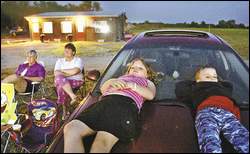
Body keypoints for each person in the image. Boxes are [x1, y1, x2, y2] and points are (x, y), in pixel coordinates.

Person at [63, 58, 156, 153]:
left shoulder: (147, 82)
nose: (135, 69)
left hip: (123, 107)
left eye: (140, 68)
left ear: (147, 74)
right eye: (132, 67)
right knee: (71, 128)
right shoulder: (120, 78)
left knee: (101, 143)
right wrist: (111, 81)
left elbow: (150, 95)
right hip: (103, 104)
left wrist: (133, 85)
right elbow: (103, 90)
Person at [175, 66, 249, 153]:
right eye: (207, 76)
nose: (212, 79)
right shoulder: (197, 88)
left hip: (227, 114)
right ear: (197, 80)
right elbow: (180, 88)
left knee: (242, 137)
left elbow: (229, 84)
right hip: (207, 113)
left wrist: (217, 81)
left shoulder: (223, 88)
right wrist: (194, 81)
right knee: (209, 140)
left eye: (214, 77)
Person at [54, 43, 84, 120]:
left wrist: (62, 72)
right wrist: (66, 74)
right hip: (62, 81)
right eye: (65, 51)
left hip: (76, 81)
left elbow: (75, 71)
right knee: (60, 82)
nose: (66, 52)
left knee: (60, 83)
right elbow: (56, 73)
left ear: (73, 52)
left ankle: (65, 110)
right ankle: (72, 95)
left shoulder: (78, 60)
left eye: (68, 51)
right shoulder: (60, 61)